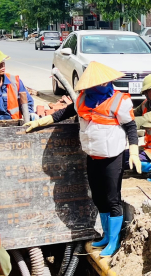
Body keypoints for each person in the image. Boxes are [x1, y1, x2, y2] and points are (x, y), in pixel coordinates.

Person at [24, 61, 141, 257]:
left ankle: (114, 241)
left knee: (112, 199)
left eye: (105, 82)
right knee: (97, 196)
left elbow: (130, 127)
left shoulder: (119, 101)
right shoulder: (82, 100)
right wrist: (39, 122)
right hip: (93, 156)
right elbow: (62, 113)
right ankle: (105, 235)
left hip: (112, 157)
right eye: (97, 83)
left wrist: (134, 152)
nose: (102, 86)